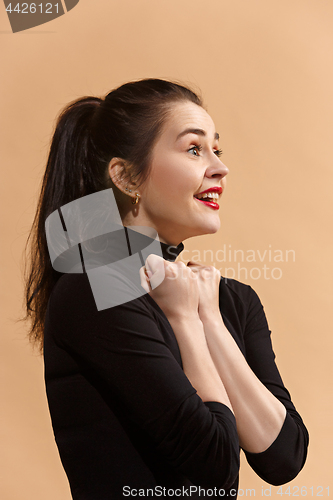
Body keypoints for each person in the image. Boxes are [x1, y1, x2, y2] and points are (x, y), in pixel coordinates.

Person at [24, 79, 309, 499]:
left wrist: (208, 316)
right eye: (194, 149)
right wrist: (184, 319)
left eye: (217, 149)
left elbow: (283, 457)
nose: (219, 167)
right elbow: (213, 473)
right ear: (125, 176)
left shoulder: (230, 298)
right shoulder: (94, 290)